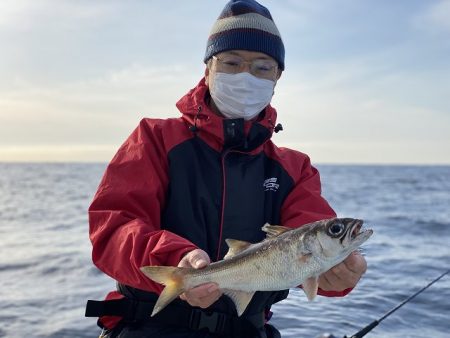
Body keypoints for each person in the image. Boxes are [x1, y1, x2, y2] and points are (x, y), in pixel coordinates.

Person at [85, 0, 367, 337]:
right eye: (232, 62)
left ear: (277, 77)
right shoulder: (155, 138)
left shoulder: (295, 168)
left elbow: (306, 241)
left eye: (262, 67)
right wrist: (178, 257)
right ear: (208, 69)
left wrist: (339, 276)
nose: (246, 75)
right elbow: (114, 228)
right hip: (149, 325)